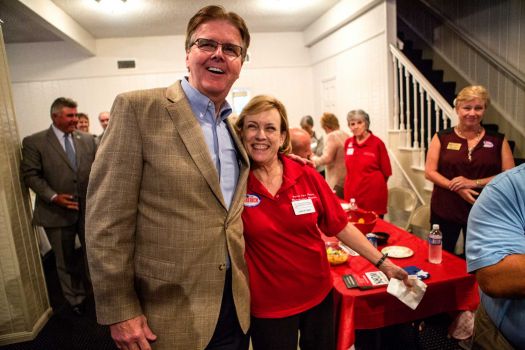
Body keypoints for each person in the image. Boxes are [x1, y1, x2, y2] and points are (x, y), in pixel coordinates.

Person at [86, 5, 251, 350]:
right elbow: (106, 222)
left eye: (231, 49)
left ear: (240, 63)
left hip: (233, 306)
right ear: (187, 53)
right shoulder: (138, 109)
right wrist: (119, 309)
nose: (218, 54)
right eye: (206, 44)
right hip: (166, 313)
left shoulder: (230, 127)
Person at [235, 95, 410, 350]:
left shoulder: (305, 174)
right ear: (241, 133)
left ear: (282, 137)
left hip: (318, 295)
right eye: (252, 126)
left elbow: (340, 225)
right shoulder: (234, 182)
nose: (261, 135)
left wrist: (383, 263)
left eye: (270, 128)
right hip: (269, 304)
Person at [21, 97, 97, 315]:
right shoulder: (35, 142)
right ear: (55, 116)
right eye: (70, 115)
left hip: (87, 211)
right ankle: (75, 300)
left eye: (76, 115)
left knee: (93, 255)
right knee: (65, 260)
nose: (75, 119)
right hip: (56, 212)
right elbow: (31, 175)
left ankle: (97, 296)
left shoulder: (88, 139)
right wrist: (54, 197)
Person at [425, 85, 515, 255]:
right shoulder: (442, 137)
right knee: (442, 256)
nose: (472, 113)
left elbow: (510, 175)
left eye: (478, 108)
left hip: (484, 210)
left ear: (484, 110)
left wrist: (473, 183)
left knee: (478, 261)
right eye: (467, 108)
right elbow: (430, 172)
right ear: (457, 109)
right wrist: (457, 187)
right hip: (445, 208)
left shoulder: (497, 140)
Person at [466, 163, 525, 349]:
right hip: (507, 338)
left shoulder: (496, 141)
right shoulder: (509, 187)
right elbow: (495, 277)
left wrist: (473, 182)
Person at [344, 109, 391, 217]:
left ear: (366, 123)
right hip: (352, 195)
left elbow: (386, 172)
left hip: (373, 196)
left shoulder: (377, 143)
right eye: (352, 124)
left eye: (359, 122)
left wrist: (372, 184)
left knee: (374, 230)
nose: (355, 126)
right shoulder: (348, 143)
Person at [311, 112, 349, 198]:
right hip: (345, 181)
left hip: (335, 182)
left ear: (326, 126)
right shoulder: (346, 135)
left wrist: (313, 158)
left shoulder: (332, 136)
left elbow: (327, 159)